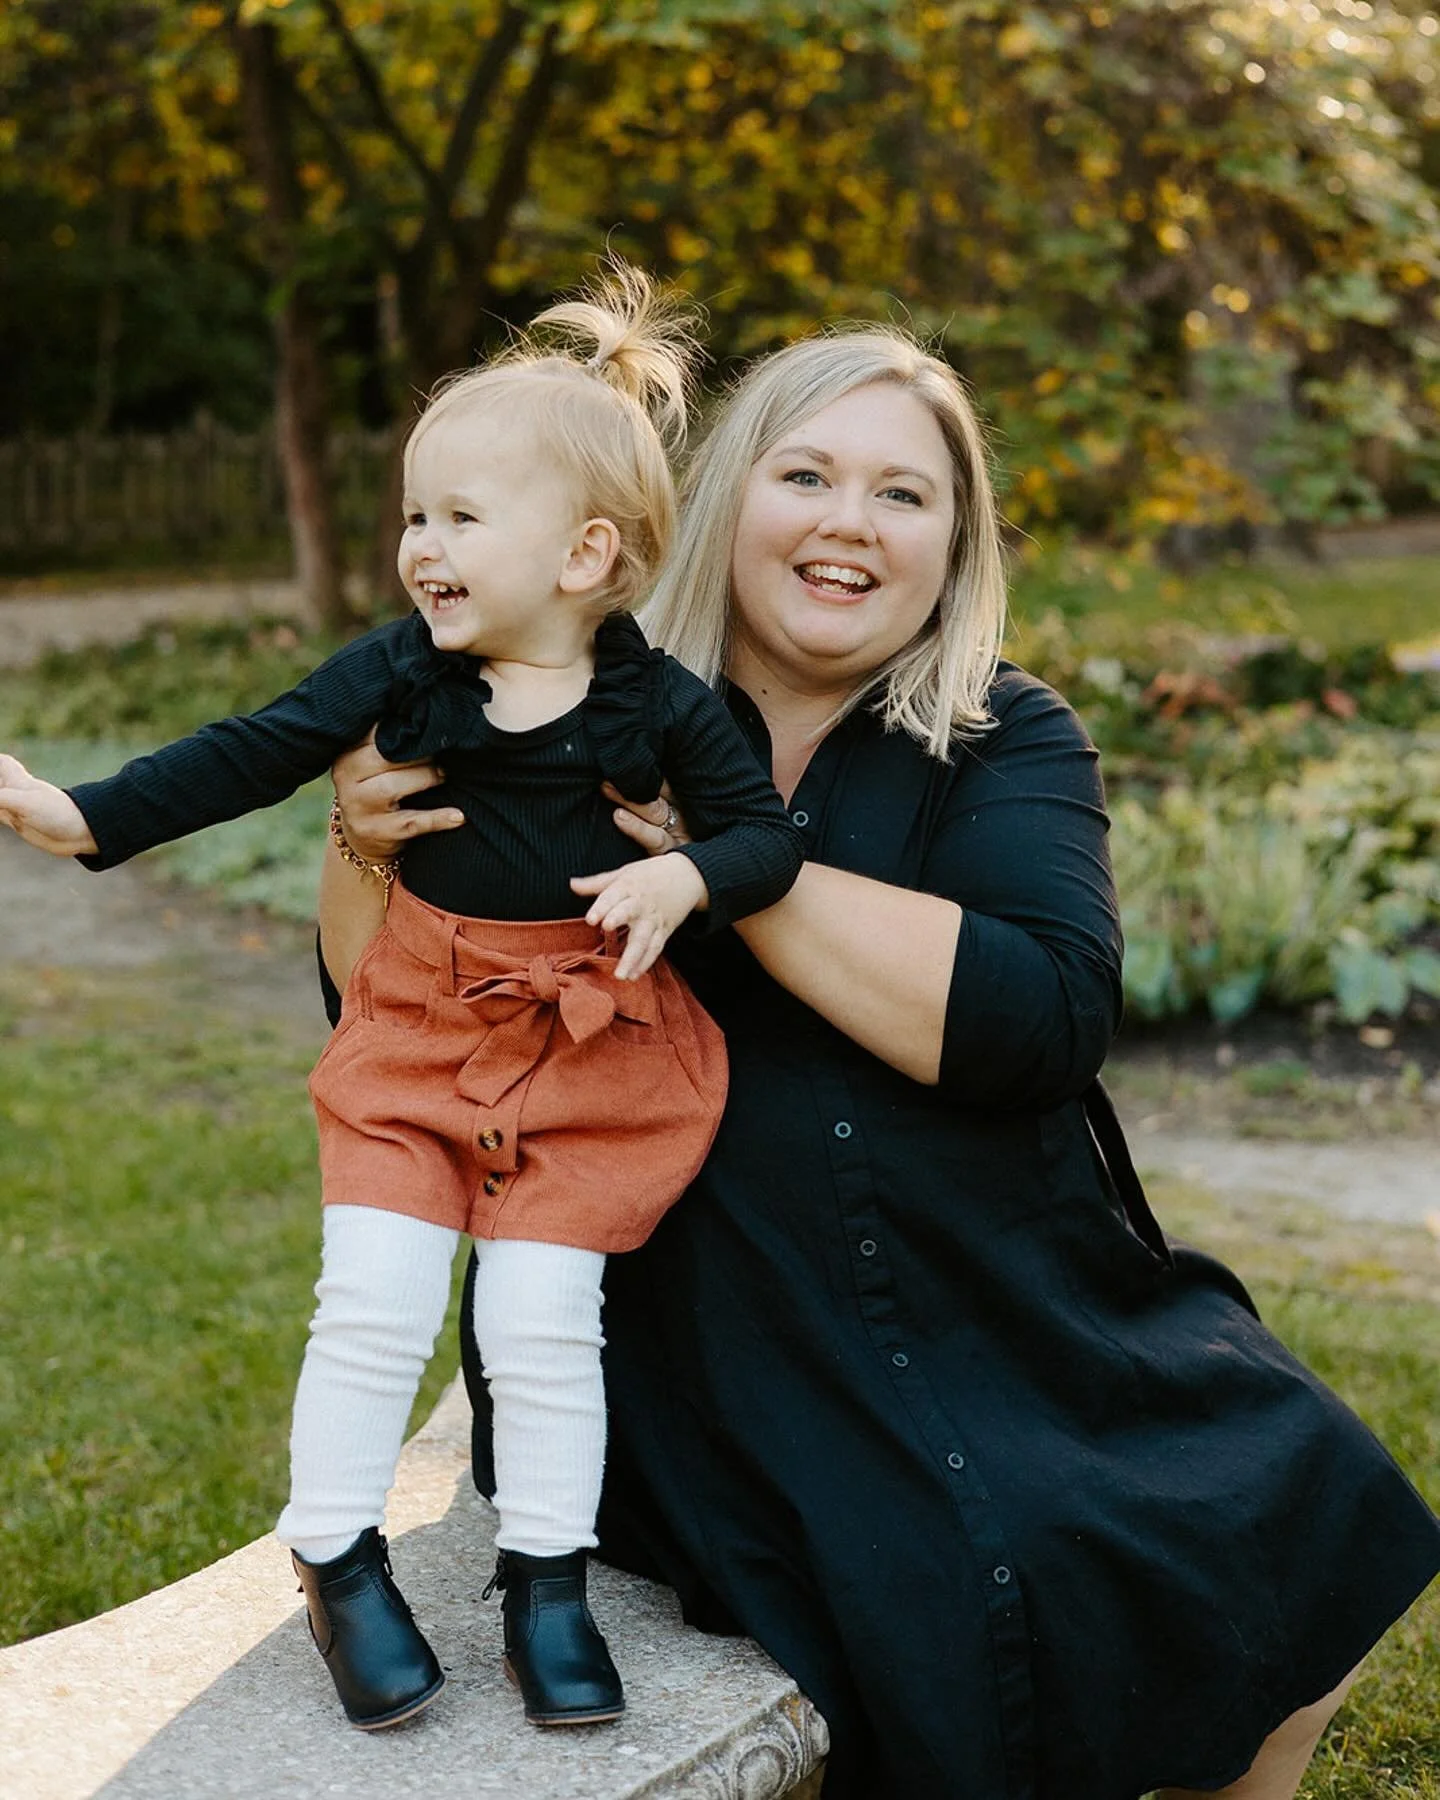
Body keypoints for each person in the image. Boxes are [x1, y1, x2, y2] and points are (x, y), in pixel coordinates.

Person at [324, 324, 1440, 1798]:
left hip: (1004, 1284)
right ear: (728, 496)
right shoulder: (555, 701)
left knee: (1299, 1488)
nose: (852, 522)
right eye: (808, 474)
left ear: (953, 544)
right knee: (961, 1574)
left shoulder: (999, 735)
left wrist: (740, 867)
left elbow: (1039, 1018)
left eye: (904, 495)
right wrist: (362, 832)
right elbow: (385, 1015)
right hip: (706, 1317)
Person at [0, 267, 804, 1734]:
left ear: (585, 554)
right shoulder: (404, 675)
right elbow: (252, 747)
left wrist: (686, 884)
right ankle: (337, 1559)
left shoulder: (662, 705)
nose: (419, 546)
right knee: (369, 1303)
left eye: (458, 518)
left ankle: (545, 1582)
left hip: (593, 1048)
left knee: (545, 1317)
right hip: (420, 1033)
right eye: (414, 516)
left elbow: (768, 840)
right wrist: (80, 815)